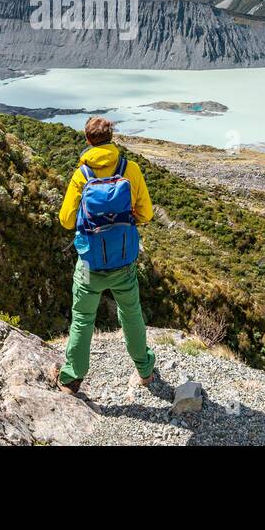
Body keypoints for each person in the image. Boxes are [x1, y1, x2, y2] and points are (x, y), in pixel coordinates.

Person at [56, 116, 156, 394]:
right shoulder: (130, 169)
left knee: (83, 318)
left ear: (88, 140)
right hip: (123, 260)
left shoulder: (82, 175)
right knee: (131, 312)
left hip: (89, 263)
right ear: (112, 138)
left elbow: (65, 220)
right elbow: (146, 214)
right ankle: (145, 371)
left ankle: (71, 379)